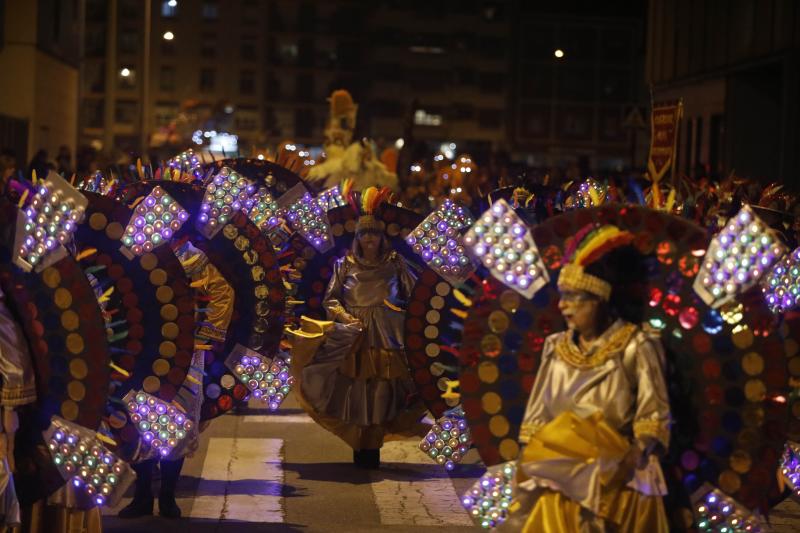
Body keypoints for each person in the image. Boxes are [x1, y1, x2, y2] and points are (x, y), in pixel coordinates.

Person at [501, 225, 670, 532]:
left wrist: (629, 461)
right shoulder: (555, 347)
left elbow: (653, 417)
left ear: (599, 299)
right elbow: (536, 420)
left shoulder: (636, 345)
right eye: (562, 296)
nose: (562, 305)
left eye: (573, 297)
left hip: (618, 484)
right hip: (557, 481)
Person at [290, 187, 425, 469]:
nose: (369, 239)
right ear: (357, 238)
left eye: (374, 233)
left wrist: (399, 314)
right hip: (355, 334)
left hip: (389, 335)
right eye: (364, 234)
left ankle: (373, 444)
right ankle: (359, 444)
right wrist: (345, 318)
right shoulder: (345, 264)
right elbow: (331, 299)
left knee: (384, 390)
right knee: (356, 390)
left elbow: (417, 297)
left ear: (382, 236)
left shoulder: (396, 263)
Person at [119, 240, 234, 519]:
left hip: (184, 353)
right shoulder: (133, 250)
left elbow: (222, 291)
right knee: (138, 420)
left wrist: (206, 334)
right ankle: (143, 494)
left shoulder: (191, 256)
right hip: (142, 351)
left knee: (177, 421)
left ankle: (168, 495)